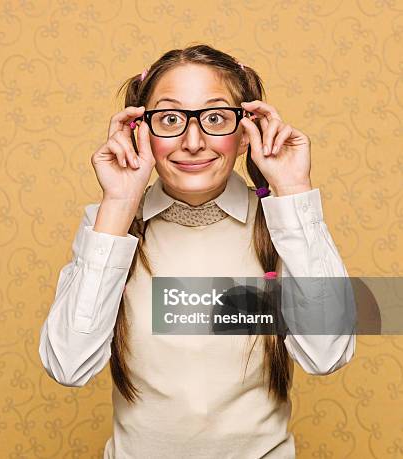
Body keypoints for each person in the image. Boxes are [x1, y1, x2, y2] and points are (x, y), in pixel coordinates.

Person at [38, 44, 355, 458]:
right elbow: (68, 365)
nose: (192, 141)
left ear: (246, 133)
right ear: (141, 131)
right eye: (169, 118)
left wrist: (294, 190)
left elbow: (327, 354)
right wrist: (117, 206)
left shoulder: (283, 224)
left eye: (215, 118)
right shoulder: (109, 228)